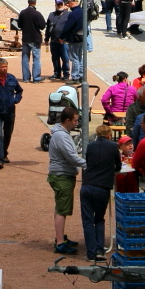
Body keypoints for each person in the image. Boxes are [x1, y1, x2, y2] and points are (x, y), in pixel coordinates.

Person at [47, 107, 85, 254]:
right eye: (75, 120)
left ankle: (60, 237)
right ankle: (60, 242)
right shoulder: (61, 136)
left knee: (61, 208)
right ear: (67, 120)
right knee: (62, 210)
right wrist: (90, 164)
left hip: (62, 174)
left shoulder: (61, 134)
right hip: (62, 176)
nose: (77, 123)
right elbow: (71, 157)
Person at [81, 124, 121, 261]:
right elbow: (119, 166)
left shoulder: (90, 146)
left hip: (87, 185)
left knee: (87, 221)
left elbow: (87, 162)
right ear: (109, 135)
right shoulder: (113, 147)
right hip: (102, 187)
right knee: (99, 219)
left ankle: (90, 253)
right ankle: (99, 251)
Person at [18, 0, 47, 83]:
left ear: (28, 2)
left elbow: (19, 25)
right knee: (36, 59)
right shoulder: (37, 14)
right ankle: (36, 78)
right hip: (35, 38)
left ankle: (26, 78)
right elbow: (42, 26)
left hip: (26, 38)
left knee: (25, 59)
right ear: (35, 2)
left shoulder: (22, 13)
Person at [60, 0, 86, 81]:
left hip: (74, 38)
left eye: (68, 4)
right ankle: (81, 75)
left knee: (74, 57)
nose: (68, 5)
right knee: (79, 57)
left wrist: (62, 37)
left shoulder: (73, 13)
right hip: (82, 37)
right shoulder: (82, 11)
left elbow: (68, 26)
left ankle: (75, 76)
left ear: (71, 3)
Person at [45, 0, 69, 80]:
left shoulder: (68, 14)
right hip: (54, 40)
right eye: (58, 4)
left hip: (64, 41)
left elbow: (70, 28)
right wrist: (46, 38)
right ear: (55, 5)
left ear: (63, 4)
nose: (59, 6)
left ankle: (66, 73)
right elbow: (48, 27)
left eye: (61, 4)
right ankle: (57, 73)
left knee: (65, 58)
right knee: (55, 58)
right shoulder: (51, 15)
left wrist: (66, 38)